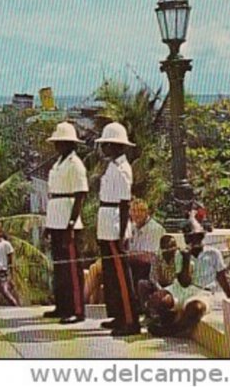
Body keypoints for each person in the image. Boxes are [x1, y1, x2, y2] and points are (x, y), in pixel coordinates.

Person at [147, 220, 230, 336]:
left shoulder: (214, 253)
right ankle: (168, 319)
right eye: (189, 237)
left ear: (202, 236)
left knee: (196, 308)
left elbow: (221, 276)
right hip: (181, 288)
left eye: (197, 237)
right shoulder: (180, 254)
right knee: (157, 299)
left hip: (202, 291)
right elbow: (184, 283)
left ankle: (171, 330)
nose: (193, 240)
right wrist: (186, 259)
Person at [95, 122, 140, 336]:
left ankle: (131, 321)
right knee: (111, 274)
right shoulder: (113, 166)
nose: (104, 148)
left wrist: (122, 233)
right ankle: (119, 315)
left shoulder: (123, 169)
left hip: (115, 223)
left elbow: (124, 204)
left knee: (122, 275)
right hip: (106, 221)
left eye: (107, 144)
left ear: (116, 146)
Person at [42, 122, 87, 323]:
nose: (57, 146)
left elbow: (80, 195)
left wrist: (71, 222)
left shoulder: (75, 164)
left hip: (68, 219)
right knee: (59, 266)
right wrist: (49, 225)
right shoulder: (59, 163)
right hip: (56, 217)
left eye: (60, 142)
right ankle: (62, 305)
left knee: (71, 268)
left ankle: (76, 310)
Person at [126, 199, 166, 305]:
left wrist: (129, 255)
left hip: (150, 269)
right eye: (133, 211)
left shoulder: (155, 229)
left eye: (140, 210)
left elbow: (150, 257)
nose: (136, 214)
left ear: (146, 212)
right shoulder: (132, 228)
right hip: (134, 265)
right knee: (97, 269)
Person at [137, 234, 179, 312]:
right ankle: (147, 312)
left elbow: (178, 279)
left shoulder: (178, 257)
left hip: (174, 287)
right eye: (169, 247)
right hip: (160, 285)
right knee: (142, 284)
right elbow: (153, 277)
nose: (173, 249)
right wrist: (160, 289)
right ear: (162, 248)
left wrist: (168, 290)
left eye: (174, 246)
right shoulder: (156, 257)